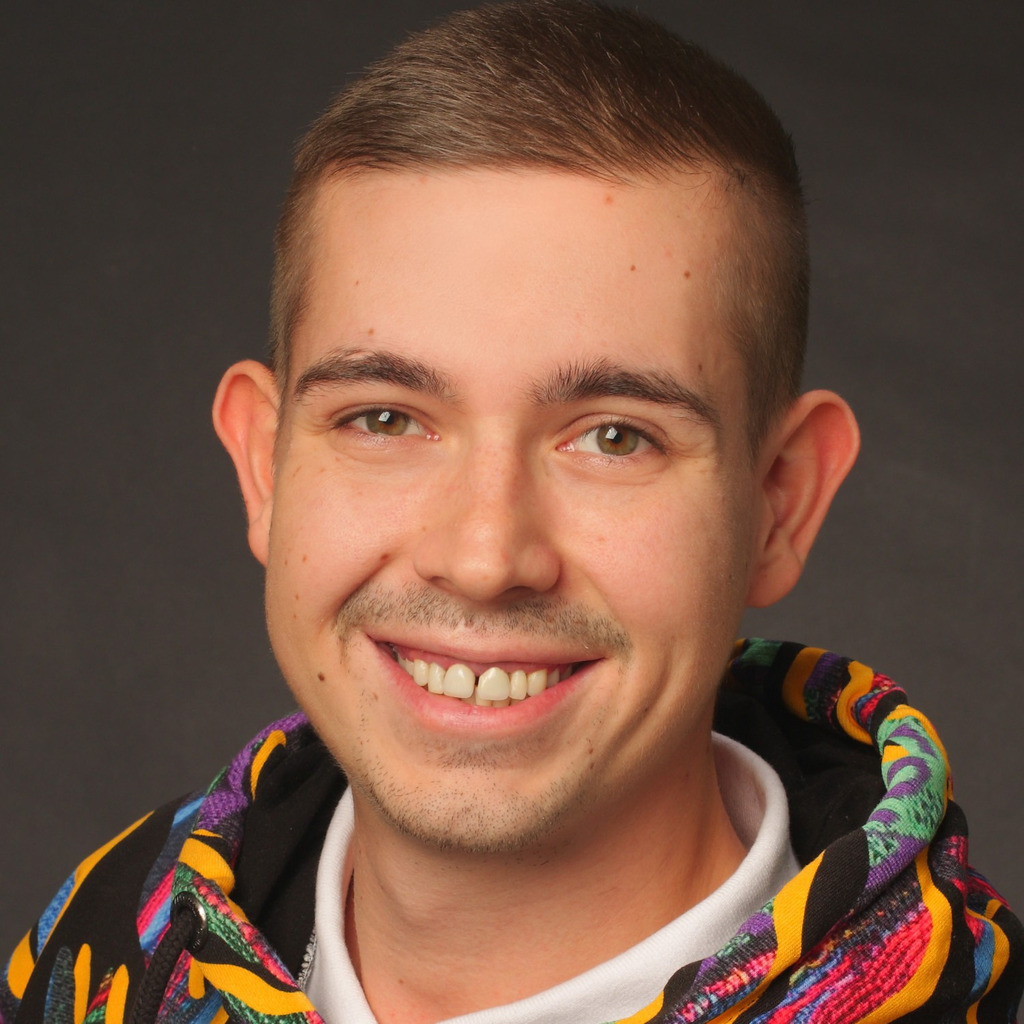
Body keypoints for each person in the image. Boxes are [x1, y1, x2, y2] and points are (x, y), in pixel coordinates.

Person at [3, 1, 1020, 1022]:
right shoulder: (97, 959)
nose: (484, 556)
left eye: (613, 436)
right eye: (384, 418)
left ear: (779, 502)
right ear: (265, 467)